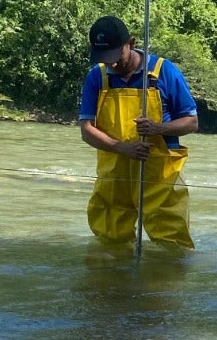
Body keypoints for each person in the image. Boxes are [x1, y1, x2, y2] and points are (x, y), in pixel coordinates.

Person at [78, 15, 198, 248]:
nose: (111, 64)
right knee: (110, 241)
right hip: (114, 174)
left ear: (131, 43)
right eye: (105, 58)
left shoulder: (163, 72)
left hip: (158, 172)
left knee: (170, 242)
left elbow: (191, 122)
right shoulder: (97, 77)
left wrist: (158, 128)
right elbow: (86, 130)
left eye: (115, 56)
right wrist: (123, 148)